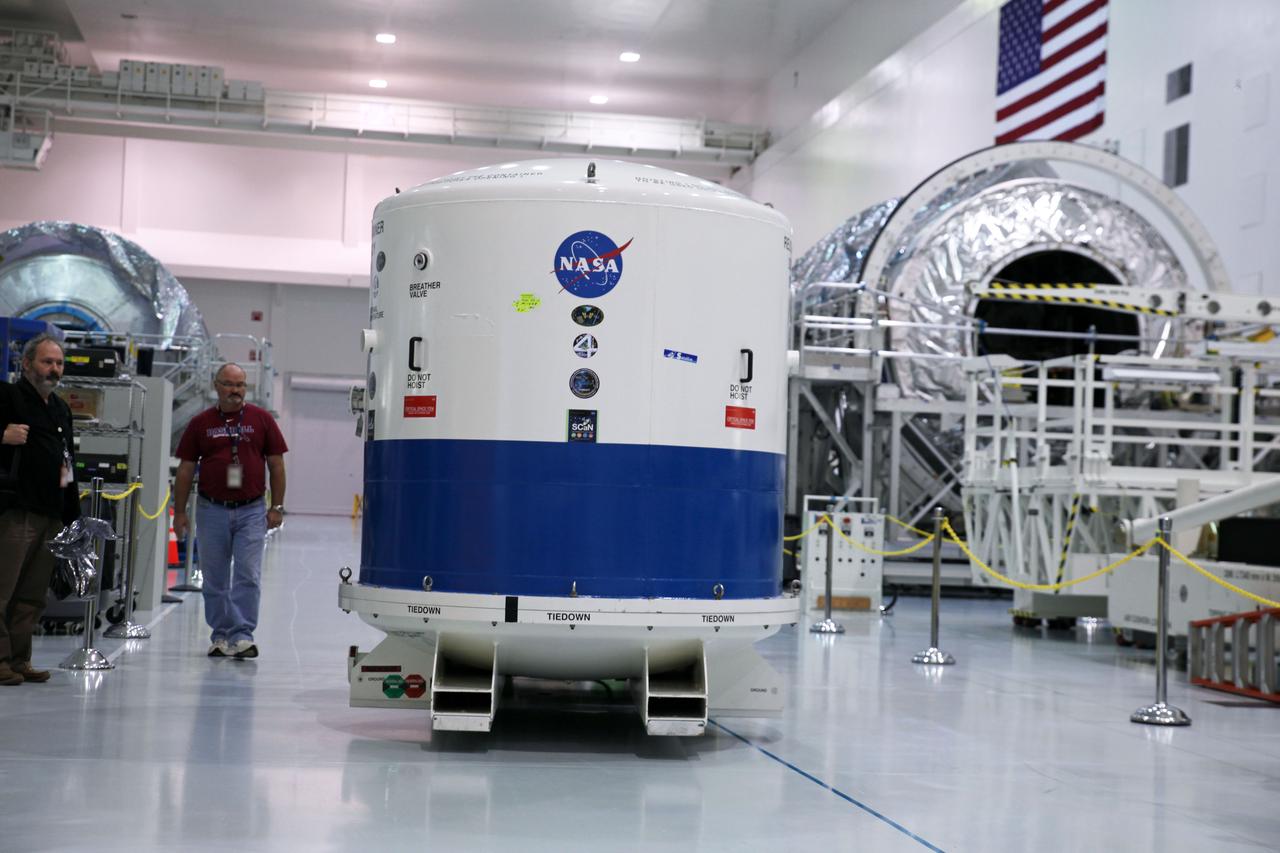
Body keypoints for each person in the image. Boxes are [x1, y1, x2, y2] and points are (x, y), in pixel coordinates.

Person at [173, 363, 287, 660]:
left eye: (240, 385)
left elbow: (276, 464)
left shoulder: (261, 420)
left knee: (248, 574)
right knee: (215, 576)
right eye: (228, 384)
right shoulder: (201, 423)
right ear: (216, 385)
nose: (234, 390)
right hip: (212, 510)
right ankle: (221, 635)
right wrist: (180, 512)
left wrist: (277, 506)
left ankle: (243, 634)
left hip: (251, 510)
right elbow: (186, 469)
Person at [0, 334, 80, 685]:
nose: (54, 369)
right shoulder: (7, 396)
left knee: (32, 595)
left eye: (59, 363)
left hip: (51, 513)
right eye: (47, 361)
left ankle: (20, 660)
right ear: (27, 363)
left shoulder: (61, 409)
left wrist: (72, 514)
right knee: (2, 590)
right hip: (17, 510)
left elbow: (68, 463)